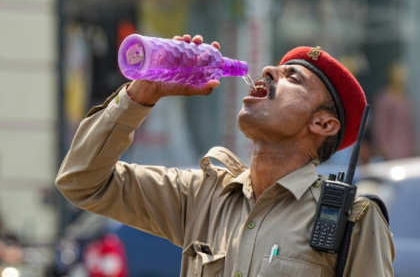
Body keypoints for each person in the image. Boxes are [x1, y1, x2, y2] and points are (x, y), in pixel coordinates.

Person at [56, 35, 394, 276]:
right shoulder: (201, 195)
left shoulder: (351, 220)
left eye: (292, 77)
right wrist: (142, 93)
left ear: (322, 123)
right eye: (274, 68)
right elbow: (81, 181)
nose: (268, 72)